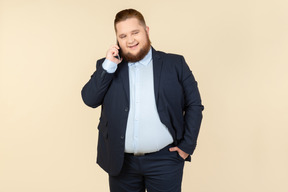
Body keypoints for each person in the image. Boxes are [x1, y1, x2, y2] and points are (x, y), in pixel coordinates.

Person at [81, 8, 204, 192]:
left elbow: (194, 104)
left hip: (165, 162)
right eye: (122, 36)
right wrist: (108, 66)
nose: (130, 40)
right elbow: (89, 99)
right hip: (121, 163)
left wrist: (187, 145)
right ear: (117, 39)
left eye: (135, 32)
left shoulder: (175, 64)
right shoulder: (107, 66)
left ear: (146, 30)